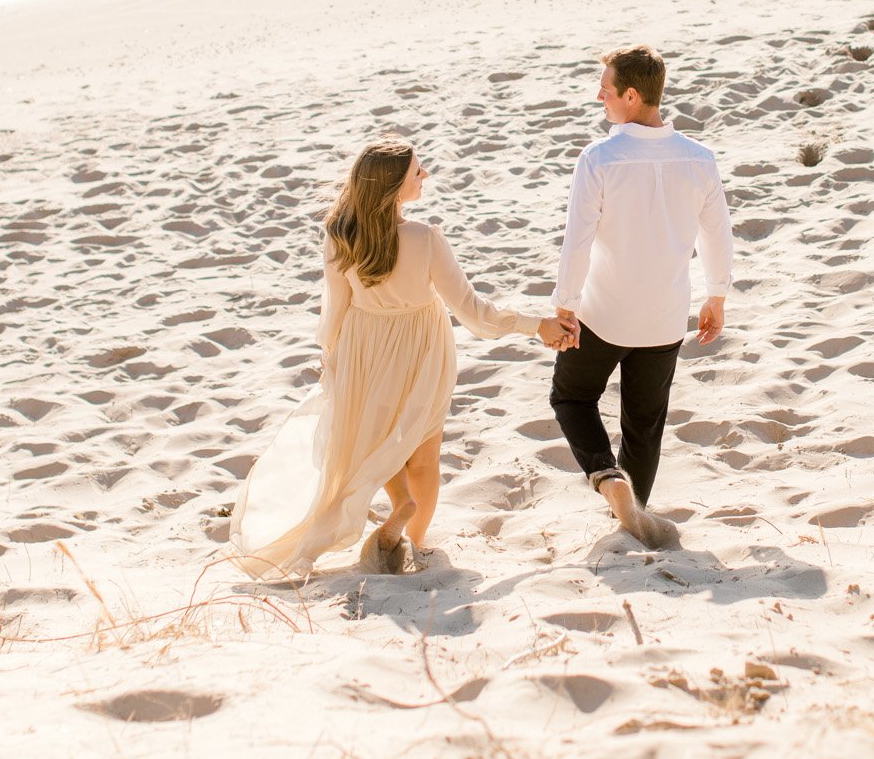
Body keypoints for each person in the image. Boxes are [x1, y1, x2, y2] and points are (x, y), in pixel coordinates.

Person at [228, 138, 572, 578]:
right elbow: (474, 312)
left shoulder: (340, 234)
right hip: (421, 350)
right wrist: (535, 324)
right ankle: (417, 539)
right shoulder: (424, 238)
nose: (424, 175)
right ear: (393, 189)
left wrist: (330, 355)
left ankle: (400, 504)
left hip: (362, 347)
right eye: (417, 172)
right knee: (424, 457)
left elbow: (334, 309)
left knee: (376, 437)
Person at [550, 44, 734, 548]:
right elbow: (716, 235)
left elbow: (578, 238)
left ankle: (608, 480)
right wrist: (716, 295)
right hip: (665, 319)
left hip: (604, 315)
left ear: (631, 96)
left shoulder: (600, 158)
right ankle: (637, 514)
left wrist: (565, 305)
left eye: (606, 90)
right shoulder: (699, 159)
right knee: (644, 424)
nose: (599, 97)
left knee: (570, 396)